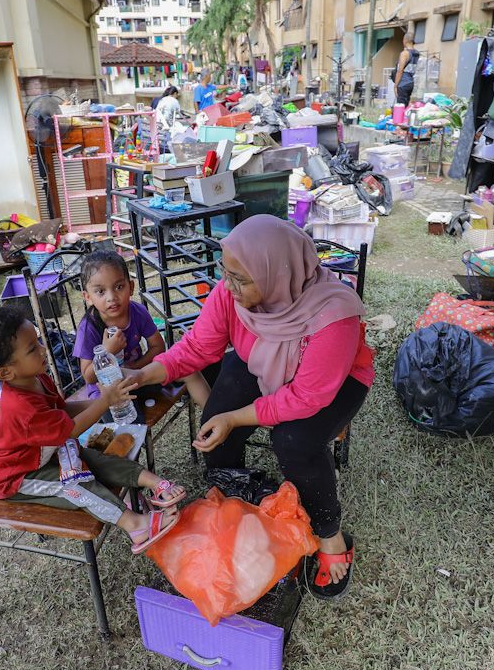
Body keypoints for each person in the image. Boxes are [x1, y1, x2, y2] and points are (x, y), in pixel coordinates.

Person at [127, 215, 373, 599]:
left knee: (294, 441)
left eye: (240, 278)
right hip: (260, 358)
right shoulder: (232, 294)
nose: (227, 286)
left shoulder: (334, 316)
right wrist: (145, 375)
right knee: (215, 429)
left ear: (277, 273)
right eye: (226, 272)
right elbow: (197, 348)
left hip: (334, 383)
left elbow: (307, 397)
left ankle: (330, 533)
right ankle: (239, 507)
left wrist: (237, 416)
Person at [0, 305, 185, 554]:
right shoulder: (21, 407)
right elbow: (71, 429)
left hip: (46, 454)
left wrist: (109, 399)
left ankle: (152, 482)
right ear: (5, 372)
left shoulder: (36, 377)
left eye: (38, 341)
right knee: (74, 485)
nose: (44, 349)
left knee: (94, 458)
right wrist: (105, 401)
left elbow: (63, 409)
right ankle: (136, 525)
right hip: (19, 477)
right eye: (33, 349)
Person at [73, 250, 209, 404]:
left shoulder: (137, 312)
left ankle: (215, 419)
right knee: (132, 423)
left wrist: (136, 368)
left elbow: (158, 346)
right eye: (100, 291)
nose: (111, 298)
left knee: (188, 370)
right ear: (88, 297)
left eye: (119, 287)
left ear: (130, 287)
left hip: (139, 376)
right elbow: (88, 377)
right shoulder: (88, 328)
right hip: (109, 392)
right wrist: (107, 352)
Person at [394, 31, 420, 106]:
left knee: (400, 108)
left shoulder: (405, 53)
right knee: (406, 106)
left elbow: (400, 70)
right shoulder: (417, 53)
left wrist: (395, 86)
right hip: (411, 83)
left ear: (405, 40)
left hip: (403, 84)